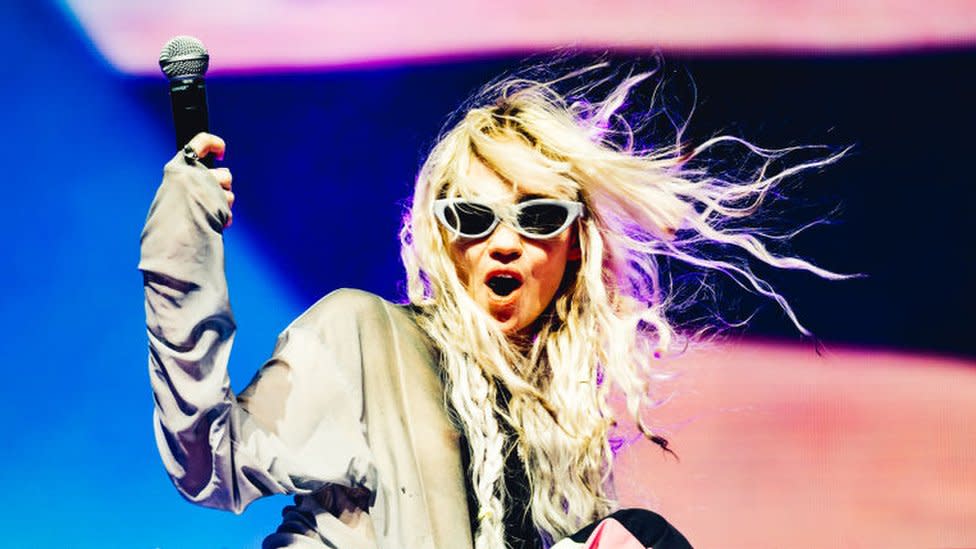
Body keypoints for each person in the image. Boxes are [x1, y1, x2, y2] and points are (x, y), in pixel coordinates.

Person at [140, 61, 842, 549]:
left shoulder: (564, 436)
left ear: (575, 244)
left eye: (536, 216)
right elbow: (209, 462)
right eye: (473, 216)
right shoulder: (365, 337)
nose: (503, 242)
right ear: (444, 239)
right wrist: (183, 251)